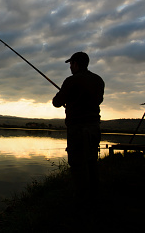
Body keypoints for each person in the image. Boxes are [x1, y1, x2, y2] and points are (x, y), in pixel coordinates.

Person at [52, 51, 105, 202]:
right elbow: (98, 100)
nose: (70, 67)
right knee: (91, 161)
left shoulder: (71, 81)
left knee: (77, 163)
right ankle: (94, 195)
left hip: (77, 128)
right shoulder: (98, 80)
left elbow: (56, 102)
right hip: (95, 127)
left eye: (71, 64)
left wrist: (66, 99)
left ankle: (81, 199)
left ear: (76, 64)